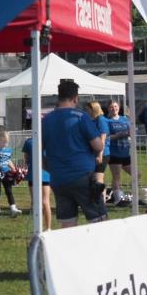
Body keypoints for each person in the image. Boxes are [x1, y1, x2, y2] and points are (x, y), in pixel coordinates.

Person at [42, 79, 107, 228]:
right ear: (75, 98)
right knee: (99, 221)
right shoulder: (80, 116)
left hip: (58, 179)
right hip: (82, 176)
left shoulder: (46, 120)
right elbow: (97, 145)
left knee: (68, 225)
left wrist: (49, 167)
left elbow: (38, 150)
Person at [22, 124, 52, 232]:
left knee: (35, 202)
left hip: (34, 175)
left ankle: (37, 227)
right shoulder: (49, 141)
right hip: (45, 174)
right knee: (45, 201)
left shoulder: (29, 141)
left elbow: (26, 159)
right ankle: (48, 227)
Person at [0, 131, 21, 218]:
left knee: (9, 191)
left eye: (6, 142)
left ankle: (13, 208)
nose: (4, 143)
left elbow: (8, 160)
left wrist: (14, 169)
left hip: (7, 173)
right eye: (3, 141)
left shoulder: (8, 150)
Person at [105, 100, 132, 205]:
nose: (114, 108)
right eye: (111, 107)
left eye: (115, 106)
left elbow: (131, 131)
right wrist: (119, 135)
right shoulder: (107, 121)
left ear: (119, 107)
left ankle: (128, 194)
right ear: (108, 109)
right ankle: (118, 198)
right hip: (114, 152)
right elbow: (106, 137)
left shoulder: (125, 119)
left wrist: (130, 133)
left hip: (125, 152)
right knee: (116, 176)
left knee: (136, 174)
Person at [85, 101, 110, 201]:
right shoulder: (94, 120)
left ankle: (101, 202)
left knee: (99, 178)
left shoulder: (101, 120)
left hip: (102, 153)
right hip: (94, 153)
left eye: (88, 110)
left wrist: (100, 154)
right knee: (94, 179)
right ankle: (97, 200)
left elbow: (103, 138)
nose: (87, 112)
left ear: (93, 109)